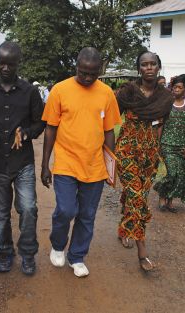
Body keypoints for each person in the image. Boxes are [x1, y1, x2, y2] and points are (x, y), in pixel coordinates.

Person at [41, 47, 122, 278]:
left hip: (95, 165)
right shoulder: (60, 90)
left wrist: (110, 166)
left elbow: (109, 132)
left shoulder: (106, 93)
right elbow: (50, 128)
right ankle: (58, 244)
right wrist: (45, 164)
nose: (87, 78)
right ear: (76, 66)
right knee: (66, 210)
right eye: (83, 72)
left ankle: (77, 256)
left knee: (87, 215)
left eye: (92, 73)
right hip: (66, 161)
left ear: (100, 70)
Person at [0, 41, 45, 276]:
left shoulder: (30, 91)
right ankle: (5, 253)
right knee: (0, 214)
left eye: (10, 63)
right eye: (1, 62)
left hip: (22, 162)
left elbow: (40, 122)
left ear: (18, 64)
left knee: (28, 209)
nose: (5, 68)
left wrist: (26, 133)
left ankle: (27, 254)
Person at [115, 51, 174, 272]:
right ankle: (142, 250)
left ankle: (124, 230)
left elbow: (162, 126)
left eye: (153, 64)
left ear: (159, 67)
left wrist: (158, 151)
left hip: (150, 154)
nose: (149, 67)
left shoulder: (165, 98)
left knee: (136, 193)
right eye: (144, 64)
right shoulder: (127, 92)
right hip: (127, 150)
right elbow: (111, 118)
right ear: (139, 68)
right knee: (137, 197)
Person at [154, 74, 185, 213]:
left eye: (179, 87)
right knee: (172, 173)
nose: (176, 89)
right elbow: (160, 125)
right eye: (175, 87)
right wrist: (158, 145)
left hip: (181, 147)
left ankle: (170, 202)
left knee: (181, 175)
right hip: (167, 145)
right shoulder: (167, 104)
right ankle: (162, 193)